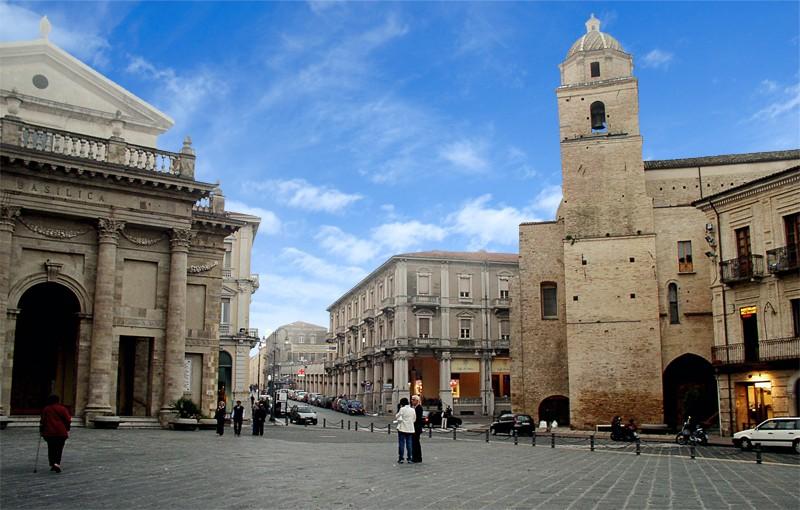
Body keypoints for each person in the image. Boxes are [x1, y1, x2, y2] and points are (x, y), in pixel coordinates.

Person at [40, 394, 71, 473]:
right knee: (59, 448)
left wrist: (41, 430)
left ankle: (52, 463)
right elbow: (68, 419)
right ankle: (57, 463)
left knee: (51, 448)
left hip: (49, 432)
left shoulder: (46, 409)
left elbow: (43, 420)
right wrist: (67, 428)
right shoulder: (62, 409)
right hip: (61, 432)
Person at [394, 397, 415, 464]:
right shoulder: (412, 410)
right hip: (410, 428)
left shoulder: (402, 409)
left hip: (402, 428)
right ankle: (409, 458)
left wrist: (398, 409)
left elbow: (397, 416)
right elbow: (414, 419)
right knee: (409, 444)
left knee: (401, 443)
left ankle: (401, 458)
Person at [411, 394, 423, 463]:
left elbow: (417, 419)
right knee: (415, 443)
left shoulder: (419, 408)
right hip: (415, 427)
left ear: (417, 401)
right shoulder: (415, 407)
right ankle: (415, 457)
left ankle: (417, 458)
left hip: (417, 428)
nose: (412, 401)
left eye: (413, 400)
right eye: (412, 399)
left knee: (416, 443)